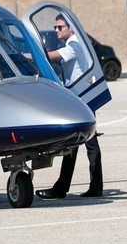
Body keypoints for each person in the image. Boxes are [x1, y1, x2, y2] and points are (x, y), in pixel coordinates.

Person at [38, 13, 103, 199]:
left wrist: (28, 55)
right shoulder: (73, 44)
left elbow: (52, 57)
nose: (56, 30)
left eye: (60, 27)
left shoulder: (74, 45)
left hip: (82, 100)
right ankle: (69, 187)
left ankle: (73, 188)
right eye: (55, 27)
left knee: (87, 144)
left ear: (71, 28)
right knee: (75, 145)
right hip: (79, 100)